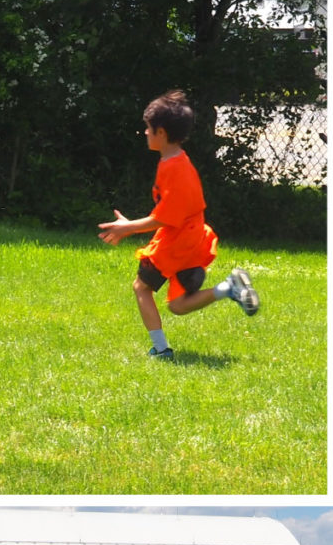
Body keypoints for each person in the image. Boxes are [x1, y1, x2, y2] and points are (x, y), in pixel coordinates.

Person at [97, 89, 258, 360]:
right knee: (178, 305)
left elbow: (164, 218)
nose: (145, 133)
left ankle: (160, 350)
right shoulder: (175, 160)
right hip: (192, 237)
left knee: (141, 288)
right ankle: (229, 288)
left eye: (148, 129)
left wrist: (127, 227)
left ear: (161, 132)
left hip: (178, 241)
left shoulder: (174, 169)